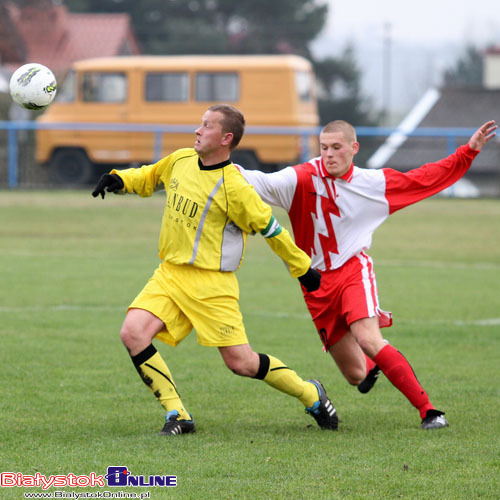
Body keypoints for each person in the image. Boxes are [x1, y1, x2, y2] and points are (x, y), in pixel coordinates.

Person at [91, 103, 338, 436]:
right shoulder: (180, 160)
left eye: (207, 126)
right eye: (200, 124)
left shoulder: (235, 188)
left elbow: (271, 230)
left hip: (212, 285)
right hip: (170, 274)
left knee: (242, 363)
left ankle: (311, 393)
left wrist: (302, 268)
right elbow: (150, 175)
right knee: (132, 333)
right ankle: (177, 414)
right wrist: (119, 179)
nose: (197, 130)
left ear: (226, 138)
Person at [236, 119, 497, 430]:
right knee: (355, 376)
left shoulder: (372, 183)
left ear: (354, 148)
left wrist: (467, 152)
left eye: (336, 147)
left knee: (368, 338)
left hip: (352, 271)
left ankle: (429, 411)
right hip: (315, 283)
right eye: (324, 148)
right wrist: (211, 163)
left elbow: (423, 178)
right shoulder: (299, 178)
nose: (329, 154)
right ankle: (372, 367)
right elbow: (250, 180)